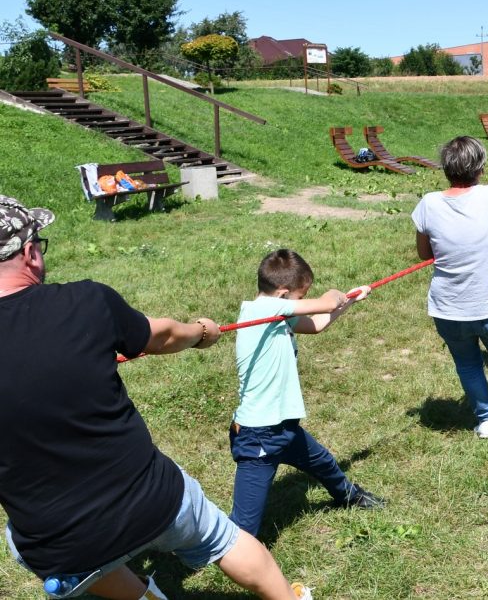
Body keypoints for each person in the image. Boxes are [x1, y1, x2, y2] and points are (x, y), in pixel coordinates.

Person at [0, 195, 312, 600]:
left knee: (29, 543)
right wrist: (201, 332)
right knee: (223, 539)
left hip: (56, 536)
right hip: (152, 498)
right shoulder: (85, 301)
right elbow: (162, 334)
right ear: (29, 253)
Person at [229, 249, 381, 539]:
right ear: (284, 294)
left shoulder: (278, 315)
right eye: (301, 296)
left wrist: (349, 301)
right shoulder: (260, 311)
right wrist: (335, 295)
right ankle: (207, 544)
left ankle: (349, 497)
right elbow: (324, 304)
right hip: (258, 434)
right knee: (244, 529)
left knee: (323, 462)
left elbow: (318, 323)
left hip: (283, 425)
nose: (302, 301)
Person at [411, 136, 488, 444]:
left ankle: (486, 421)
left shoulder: (428, 202)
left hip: (449, 308)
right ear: (478, 166)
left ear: (446, 167)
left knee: (468, 363)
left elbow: (425, 254)